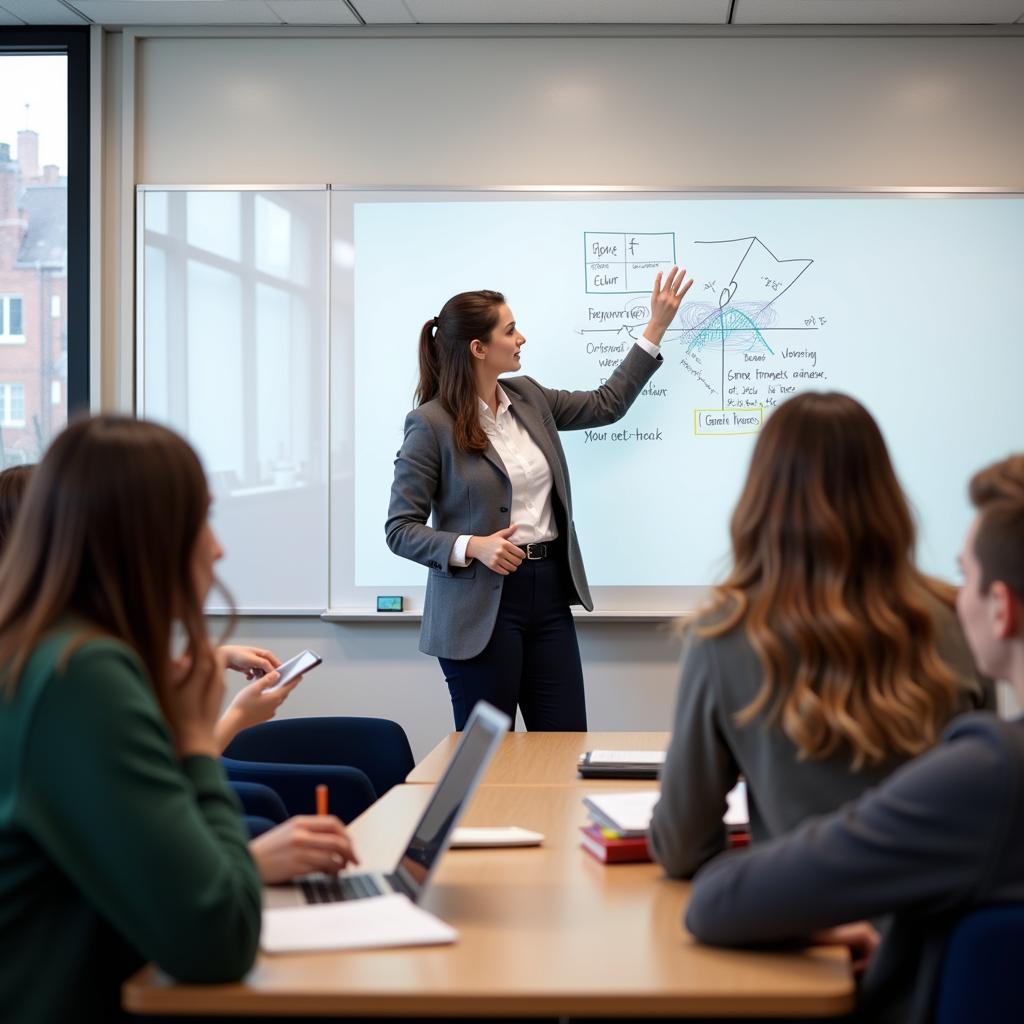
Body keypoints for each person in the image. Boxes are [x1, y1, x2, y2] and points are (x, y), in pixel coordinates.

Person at [0, 416, 356, 1023]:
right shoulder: (82, 676)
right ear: (141, 536)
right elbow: (217, 940)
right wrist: (194, 740)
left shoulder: (42, 651)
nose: (216, 548)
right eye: (200, 521)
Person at [685, 453, 1024, 1024]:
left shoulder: (991, 775)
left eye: (965, 576)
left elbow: (717, 902)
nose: (953, 595)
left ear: (1001, 610)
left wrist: (805, 909)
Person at [649, 392, 993, 878]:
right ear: (884, 492)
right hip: (936, 929)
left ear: (762, 498)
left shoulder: (723, 635)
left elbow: (681, 847)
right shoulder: (956, 617)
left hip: (802, 925)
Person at [0, 460, 339, 880]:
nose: (218, 549)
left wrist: (213, 665)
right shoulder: (81, 670)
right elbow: (138, 815)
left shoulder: (61, 650)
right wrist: (225, 722)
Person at [386, 269, 693, 730]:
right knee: (492, 762)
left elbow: (606, 404)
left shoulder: (528, 397)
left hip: (547, 592)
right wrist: (472, 545)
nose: (521, 337)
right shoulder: (430, 425)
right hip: (479, 608)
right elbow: (400, 529)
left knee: (566, 744)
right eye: (510, 330)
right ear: (479, 348)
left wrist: (655, 329)